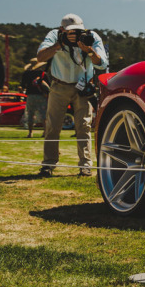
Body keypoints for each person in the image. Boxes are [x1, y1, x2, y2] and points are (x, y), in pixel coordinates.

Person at [36, 14, 108, 177]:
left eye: (78, 31)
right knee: (53, 126)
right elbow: (40, 57)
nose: (74, 34)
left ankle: (85, 165)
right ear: (62, 29)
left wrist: (88, 50)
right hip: (59, 85)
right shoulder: (55, 36)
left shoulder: (91, 37)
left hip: (83, 88)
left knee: (83, 126)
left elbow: (102, 63)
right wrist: (59, 44)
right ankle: (48, 163)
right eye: (70, 31)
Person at [20, 58, 50, 138]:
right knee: (44, 115)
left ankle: (30, 133)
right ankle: (45, 132)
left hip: (30, 96)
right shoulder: (43, 74)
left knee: (30, 114)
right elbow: (49, 86)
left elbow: (23, 85)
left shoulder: (26, 74)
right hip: (42, 96)